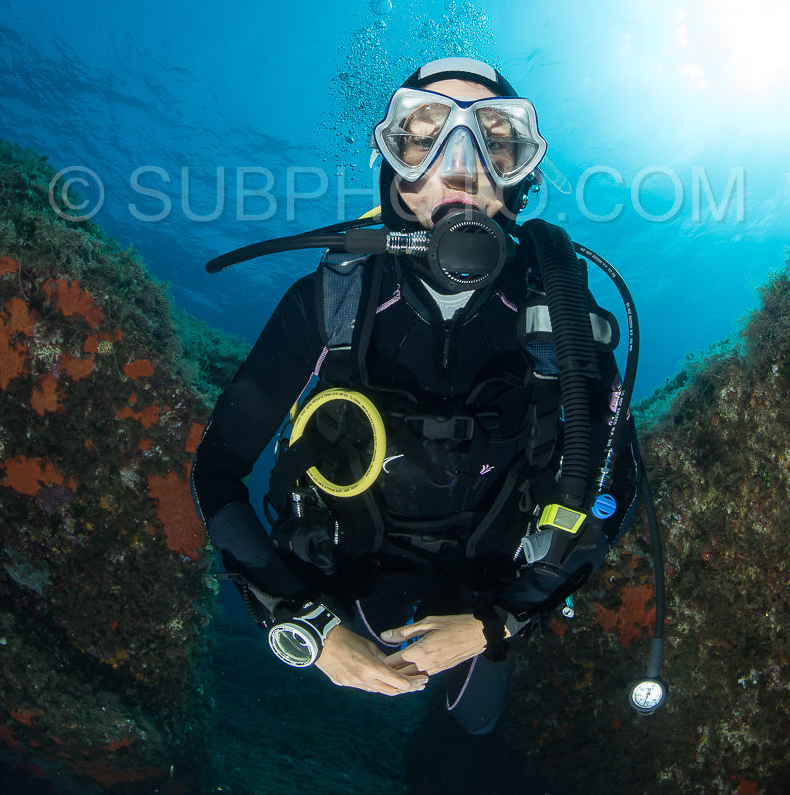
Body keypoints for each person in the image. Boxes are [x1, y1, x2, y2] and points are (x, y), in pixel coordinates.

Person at [191, 57, 640, 734]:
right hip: (339, 574)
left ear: (520, 174)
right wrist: (302, 621)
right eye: (423, 133)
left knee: (477, 723)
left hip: (487, 580)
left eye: (495, 139)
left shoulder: (562, 312)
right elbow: (217, 473)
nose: (458, 165)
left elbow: (611, 490)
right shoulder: (331, 301)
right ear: (393, 163)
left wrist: (500, 619)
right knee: (321, 723)